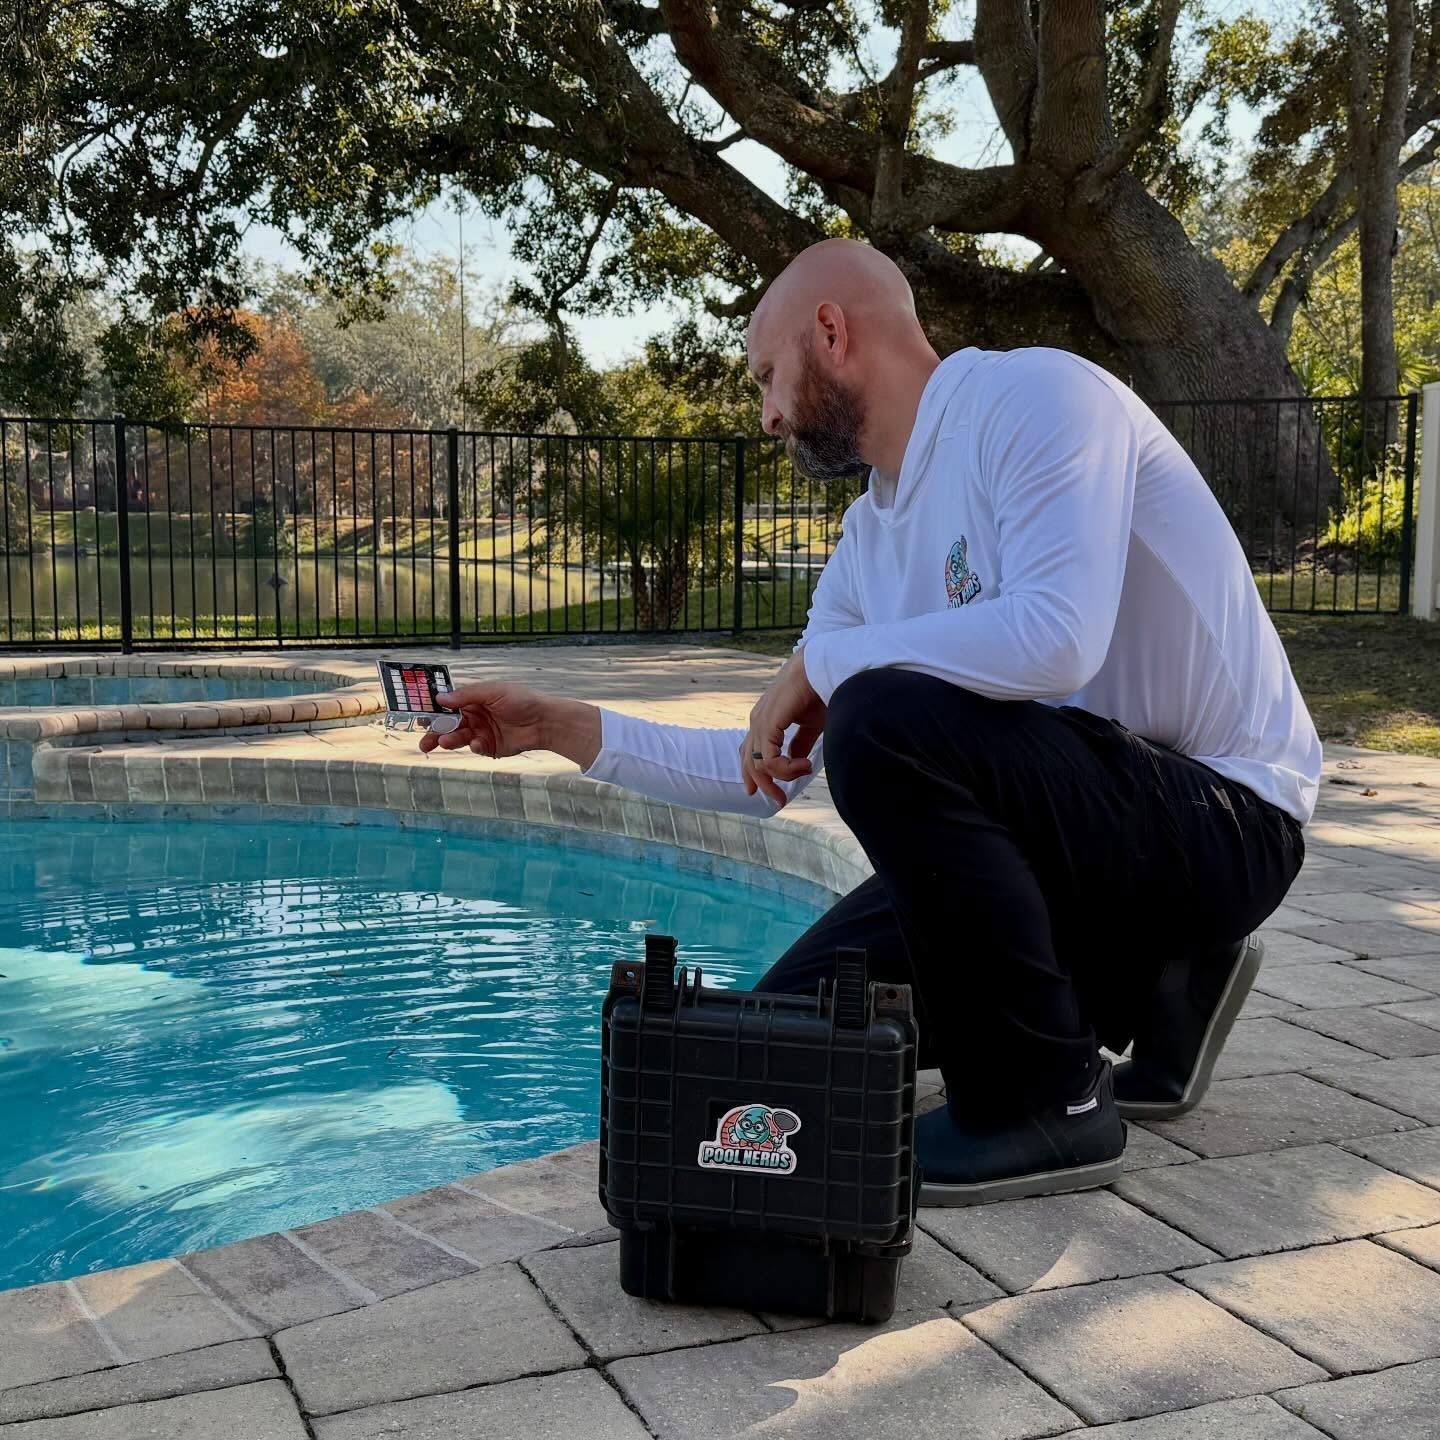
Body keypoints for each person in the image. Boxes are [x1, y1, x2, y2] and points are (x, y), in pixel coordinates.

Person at [421, 237, 1320, 1207]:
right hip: (1083, 846)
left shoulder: (1037, 401)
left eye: (768, 377)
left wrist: (825, 662)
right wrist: (553, 724)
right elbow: (762, 771)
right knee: (776, 1039)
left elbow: (1058, 639)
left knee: (884, 720)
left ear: (833, 332)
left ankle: (1045, 1104)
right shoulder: (867, 543)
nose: (766, 414)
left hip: (1226, 820)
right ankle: (1157, 980)